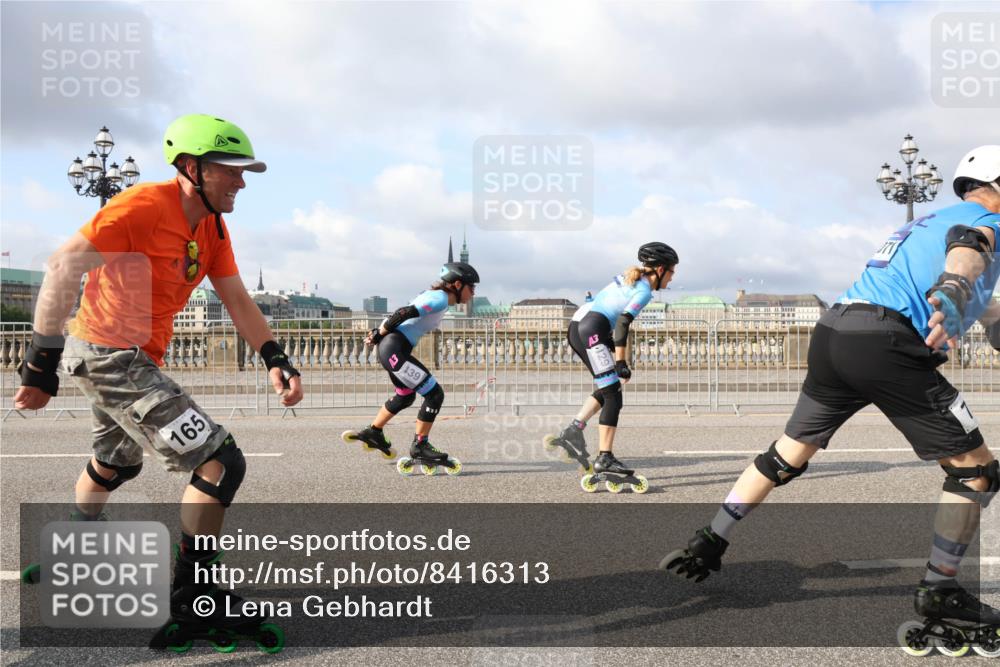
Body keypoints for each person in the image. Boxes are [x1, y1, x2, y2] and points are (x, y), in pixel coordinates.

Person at [661, 146, 1000, 655]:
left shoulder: (932, 218)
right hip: (886, 342)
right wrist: (953, 285)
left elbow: (988, 306)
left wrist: (977, 310)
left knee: (789, 451)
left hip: (837, 328)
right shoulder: (983, 219)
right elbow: (969, 248)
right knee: (976, 472)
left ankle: (711, 538)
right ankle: (940, 591)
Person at [14, 114, 303, 651]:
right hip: (108, 353)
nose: (242, 182)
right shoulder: (141, 206)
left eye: (245, 172)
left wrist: (274, 355)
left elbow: (237, 299)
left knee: (117, 462)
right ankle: (196, 597)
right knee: (220, 462)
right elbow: (61, 267)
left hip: (128, 356)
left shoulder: (213, 227)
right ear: (191, 168)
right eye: (231, 170)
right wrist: (39, 364)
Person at [546, 242, 677, 493]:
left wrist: (618, 361)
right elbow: (623, 324)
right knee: (613, 395)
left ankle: (574, 430)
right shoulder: (644, 291)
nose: (671, 279)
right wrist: (620, 361)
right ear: (660, 270)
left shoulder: (628, 279)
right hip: (593, 330)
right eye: (671, 272)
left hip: (581, 326)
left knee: (608, 387)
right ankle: (605, 457)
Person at [341, 261, 480, 475]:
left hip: (393, 349)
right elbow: (404, 312)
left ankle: (374, 432)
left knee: (405, 396)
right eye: (472, 287)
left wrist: (380, 333)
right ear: (458, 284)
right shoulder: (439, 298)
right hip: (395, 350)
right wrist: (379, 333)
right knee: (434, 394)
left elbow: (404, 313)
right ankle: (420, 445)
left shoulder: (437, 297)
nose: (473, 293)